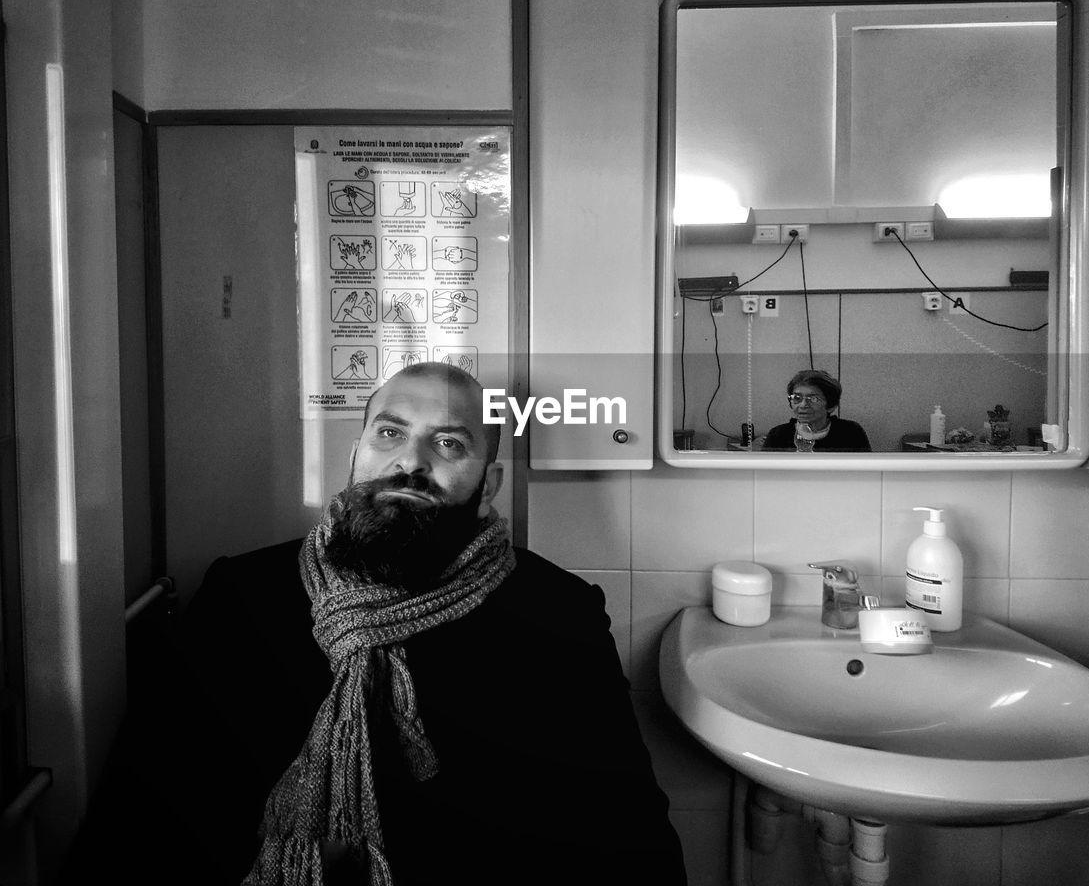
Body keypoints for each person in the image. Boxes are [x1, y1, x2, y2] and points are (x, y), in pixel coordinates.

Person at [64, 362, 686, 886]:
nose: (409, 462)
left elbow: (624, 835)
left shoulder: (557, 612)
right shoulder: (243, 595)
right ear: (357, 454)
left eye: (449, 444)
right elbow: (148, 808)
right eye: (390, 433)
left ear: (488, 483)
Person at [762, 369, 871, 452]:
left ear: (831, 405)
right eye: (797, 398)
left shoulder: (851, 432)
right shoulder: (778, 435)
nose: (803, 405)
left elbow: (868, 473)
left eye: (813, 399)